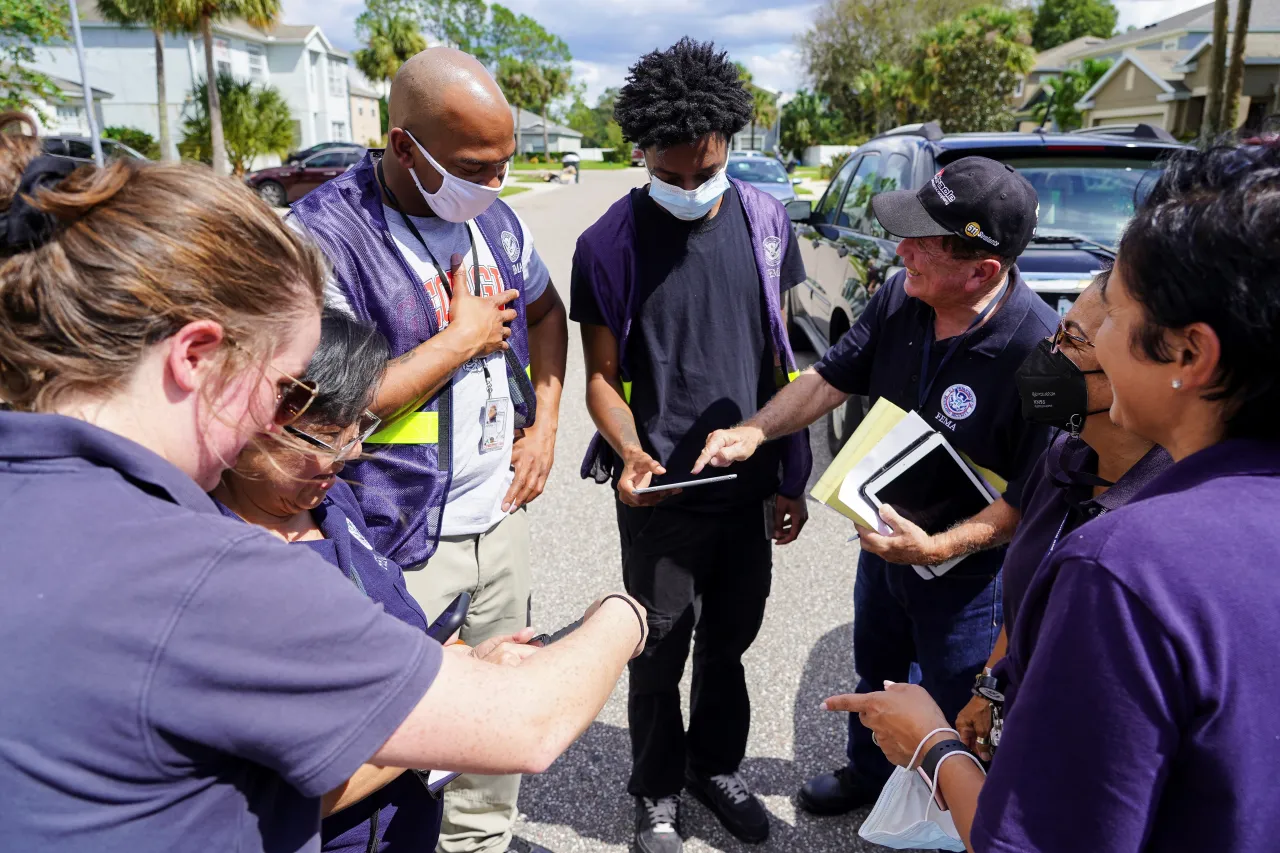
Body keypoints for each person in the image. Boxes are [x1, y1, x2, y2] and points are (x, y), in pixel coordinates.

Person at [0, 113, 645, 853]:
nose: (285, 423)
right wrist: (625, 613)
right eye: (281, 386)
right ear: (197, 355)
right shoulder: (199, 573)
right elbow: (527, 724)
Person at [832, 139, 1280, 852]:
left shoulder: (1127, 568)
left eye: (1107, 321)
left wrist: (935, 743)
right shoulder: (1088, 462)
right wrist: (996, 682)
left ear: (1190, 354)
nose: (1067, 343)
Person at [694, 155, 1058, 814]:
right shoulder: (900, 297)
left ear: (982, 271)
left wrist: (938, 548)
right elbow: (831, 376)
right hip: (884, 546)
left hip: (966, 577)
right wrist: (757, 431)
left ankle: (945, 812)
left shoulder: (1038, 353)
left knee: (954, 700)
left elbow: (1027, 503)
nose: (901, 251)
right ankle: (869, 773)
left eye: (923, 243)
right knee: (878, 669)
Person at [287, 47, 569, 853]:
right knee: (404, 728)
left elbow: (547, 315)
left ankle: (483, 841)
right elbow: (318, 401)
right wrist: (462, 341)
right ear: (403, 147)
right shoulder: (320, 239)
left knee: (494, 709)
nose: (496, 181)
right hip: (393, 530)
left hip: (497, 514)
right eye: (476, 165)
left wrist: (545, 422)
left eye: (507, 162)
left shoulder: (494, 220)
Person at [571, 38, 812, 853]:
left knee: (731, 641)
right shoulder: (607, 243)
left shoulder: (768, 223)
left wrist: (793, 476)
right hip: (659, 493)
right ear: (640, 153)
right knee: (658, 648)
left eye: (701, 171)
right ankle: (656, 790)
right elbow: (600, 376)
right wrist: (631, 454)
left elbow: (788, 358)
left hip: (748, 486)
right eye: (667, 174)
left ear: (728, 146)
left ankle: (714, 766)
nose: (685, 187)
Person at [212, 309, 445, 852]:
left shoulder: (332, 499)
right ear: (246, 420)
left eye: (358, 426)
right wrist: (436, 719)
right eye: (322, 435)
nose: (352, 451)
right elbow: (277, 797)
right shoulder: (216, 565)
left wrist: (450, 659)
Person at [954, 272, 1171, 758]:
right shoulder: (1062, 457)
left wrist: (931, 749)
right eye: (1060, 330)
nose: (1049, 352)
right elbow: (1027, 593)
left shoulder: (1163, 518)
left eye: (1074, 340)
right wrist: (990, 686)